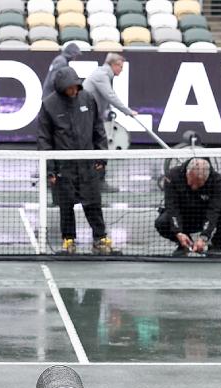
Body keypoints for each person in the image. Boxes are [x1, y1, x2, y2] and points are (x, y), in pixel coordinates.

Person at [38, 66, 118, 255]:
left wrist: (101, 156)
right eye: (70, 87)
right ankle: (69, 241)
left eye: (76, 86)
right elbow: (44, 139)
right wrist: (50, 170)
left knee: (93, 203)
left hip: (87, 164)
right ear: (61, 87)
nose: (74, 90)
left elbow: (98, 128)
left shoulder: (87, 99)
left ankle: (100, 239)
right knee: (66, 206)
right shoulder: (49, 105)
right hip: (63, 167)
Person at [154, 158, 221, 257]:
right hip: (183, 218)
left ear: (207, 178)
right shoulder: (172, 176)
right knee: (161, 222)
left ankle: (216, 245)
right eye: (191, 182)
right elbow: (172, 207)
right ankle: (184, 244)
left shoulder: (218, 181)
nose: (194, 187)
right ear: (187, 173)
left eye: (199, 184)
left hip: (203, 217)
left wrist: (204, 236)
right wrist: (178, 232)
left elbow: (214, 211)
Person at [82, 53, 137, 192]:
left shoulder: (104, 74)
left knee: (98, 146)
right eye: (120, 66)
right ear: (113, 65)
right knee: (100, 146)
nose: (122, 69)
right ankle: (98, 182)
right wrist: (128, 111)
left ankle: (96, 180)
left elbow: (103, 97)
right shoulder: (102, 75)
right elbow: (110, 95)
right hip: (88, 116)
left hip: (92, 116)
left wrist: (108, 112)